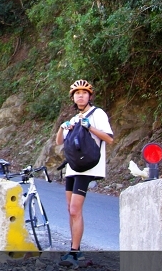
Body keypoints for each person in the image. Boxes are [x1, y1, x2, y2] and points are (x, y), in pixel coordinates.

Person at [55, 79, 114, 267]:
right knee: (69, 209)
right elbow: (59, 142)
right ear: (73, 98)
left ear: (90, 96)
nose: (80, 95)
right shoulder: (73, 119)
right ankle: (75, 250)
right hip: (72, 168)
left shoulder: (98, 114)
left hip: (88, 167)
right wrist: (62, 127)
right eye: (77, 93)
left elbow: (109, 139)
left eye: (84, 93)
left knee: (75, 209)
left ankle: (74, 252)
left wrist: (90, 127)